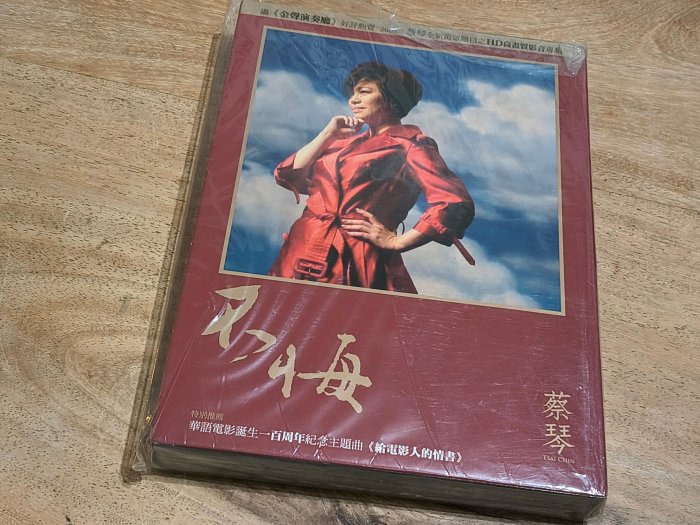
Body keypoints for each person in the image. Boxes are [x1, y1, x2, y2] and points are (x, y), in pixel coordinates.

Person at [268, 61, 474, 293]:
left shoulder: (412, 145)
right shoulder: (342, 143)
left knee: (346, 314)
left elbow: (454, 203)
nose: (353, 100)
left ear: (390, 97)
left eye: (364, 92)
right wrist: (327, 133)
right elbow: (287, 174)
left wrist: (397, 242)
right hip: (301, 247)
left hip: (355, 256)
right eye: (352, 93)